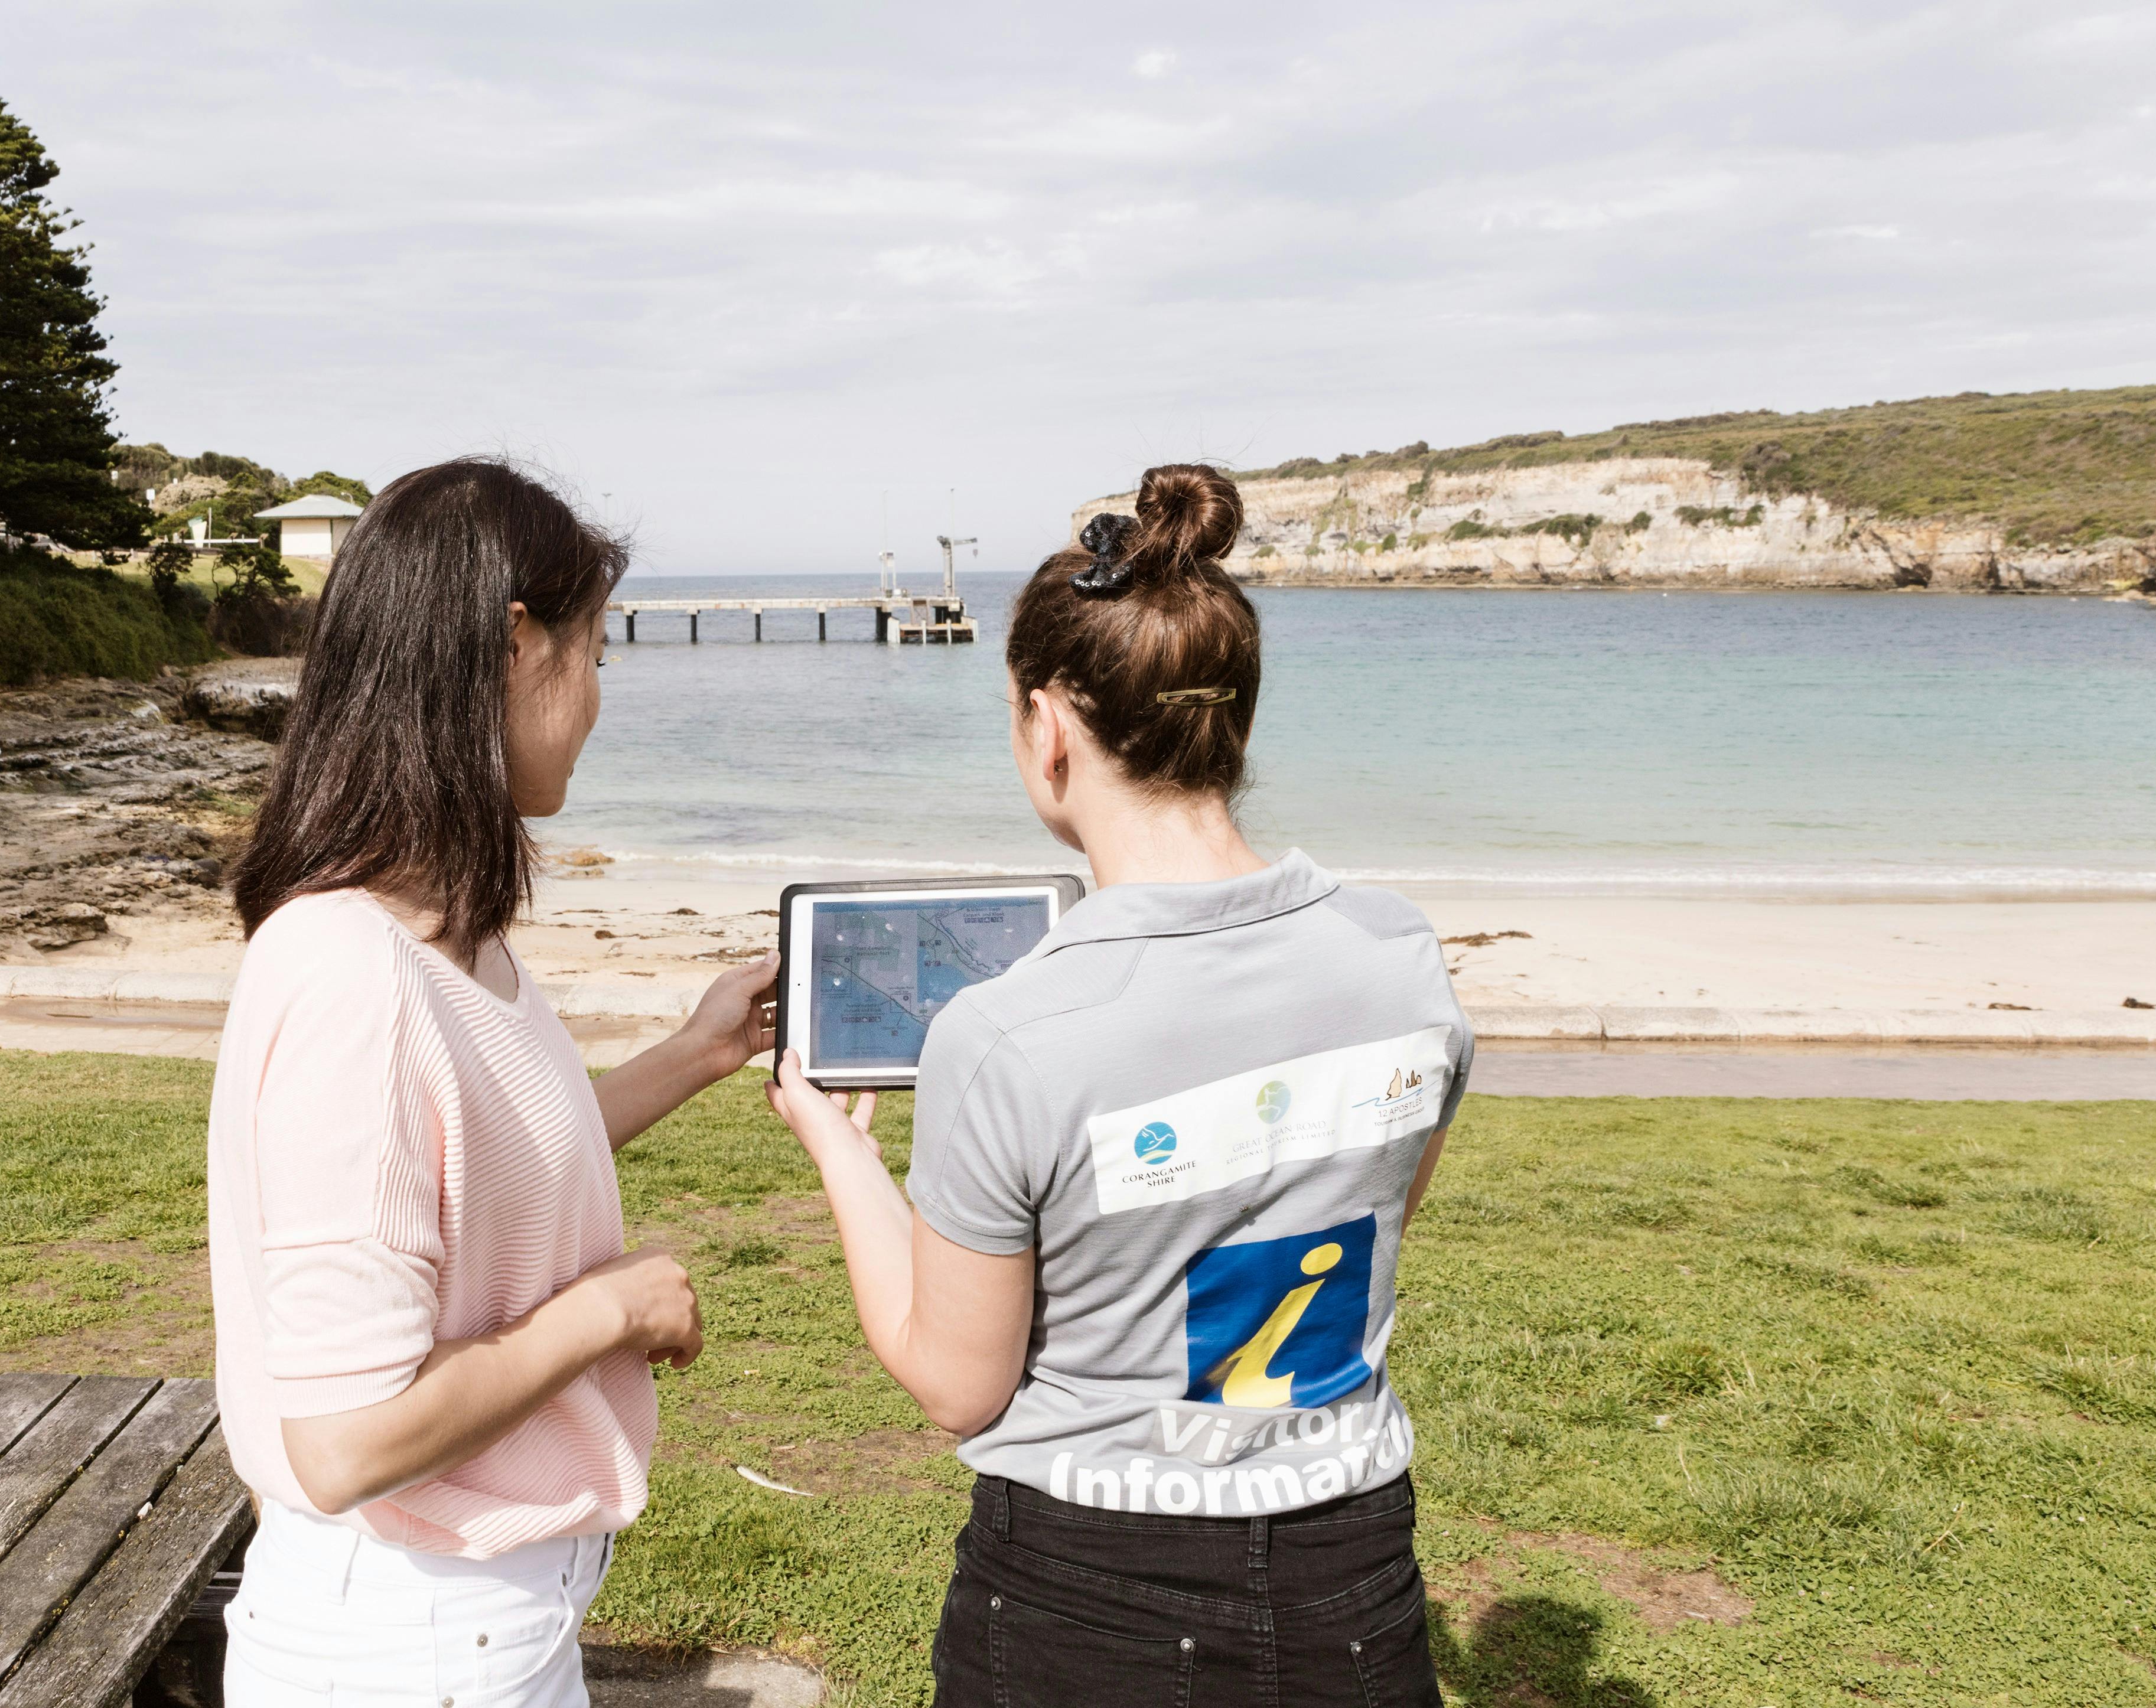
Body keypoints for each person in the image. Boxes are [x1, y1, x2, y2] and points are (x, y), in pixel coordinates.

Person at [768, 462, 1468, 1707]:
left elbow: (955, 1379)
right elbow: (1365, 1203)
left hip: (1089, 1597)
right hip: (1355, 1579)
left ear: (1048, 727)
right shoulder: (1402, 958)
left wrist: (841, 1154)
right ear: (1233, 722)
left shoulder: (1006, 1030)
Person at [209, 458, 780, 1708]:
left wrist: (699, 1050)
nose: (596, 699)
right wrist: (609, 1311)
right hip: (404, 1649)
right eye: (596, 653)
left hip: (470, 1631)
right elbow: (349, 1437)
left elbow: (491, 1161)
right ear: (517, 648)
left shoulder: (438, 931)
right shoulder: (352, 976)